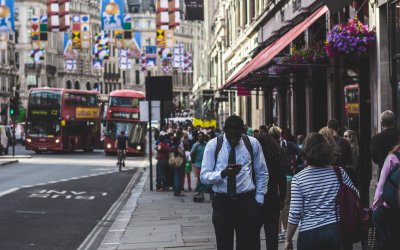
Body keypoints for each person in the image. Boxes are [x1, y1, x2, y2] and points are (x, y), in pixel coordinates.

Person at [200, 115, 268, 250]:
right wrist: (223, 173)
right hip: (223, 202)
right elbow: (204, 176)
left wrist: (259, 198)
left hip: (246, 202)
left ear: (242, 131)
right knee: (224, 244)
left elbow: (262, 172)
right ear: (224, 130)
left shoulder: (252, 143)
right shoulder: (213, 145)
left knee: (246, 245)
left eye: (237, 137)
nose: (234, 141)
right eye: (231, 137)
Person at [285, 133, 359, 250]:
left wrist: (288, 239)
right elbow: (355, 195)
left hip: (309, 235)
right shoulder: (338, 172)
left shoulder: (298, 179)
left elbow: (295, 213)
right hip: (336, 231)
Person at [255, 132, 286, 250]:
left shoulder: (254, 156)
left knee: (254, 232)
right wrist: (282, 197)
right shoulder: (275, 156)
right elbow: (282, 178)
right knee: (272, 234)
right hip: (272, 197)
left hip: (256, 197)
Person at [372, 145, 400, 249]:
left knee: (388, 242)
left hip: (390, 207)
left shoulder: (392, 158)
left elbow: (381, 184)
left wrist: (375, 207)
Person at [371, 110, 400, 179]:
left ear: (382, 123)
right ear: (394, 121)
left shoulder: (376, 138)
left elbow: (374, 157)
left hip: (384, 174)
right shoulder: (398, 135)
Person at [191, 132, 207, 201]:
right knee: (200, 180)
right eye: (199, 136)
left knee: (205, 181)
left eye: (202, 136)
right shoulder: (195, 145)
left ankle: (198, 191)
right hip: (198, 165)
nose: (201, 137)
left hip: (206, 165)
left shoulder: (207, 144)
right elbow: (191, 155)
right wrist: (195, 148)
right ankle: (199, 193)